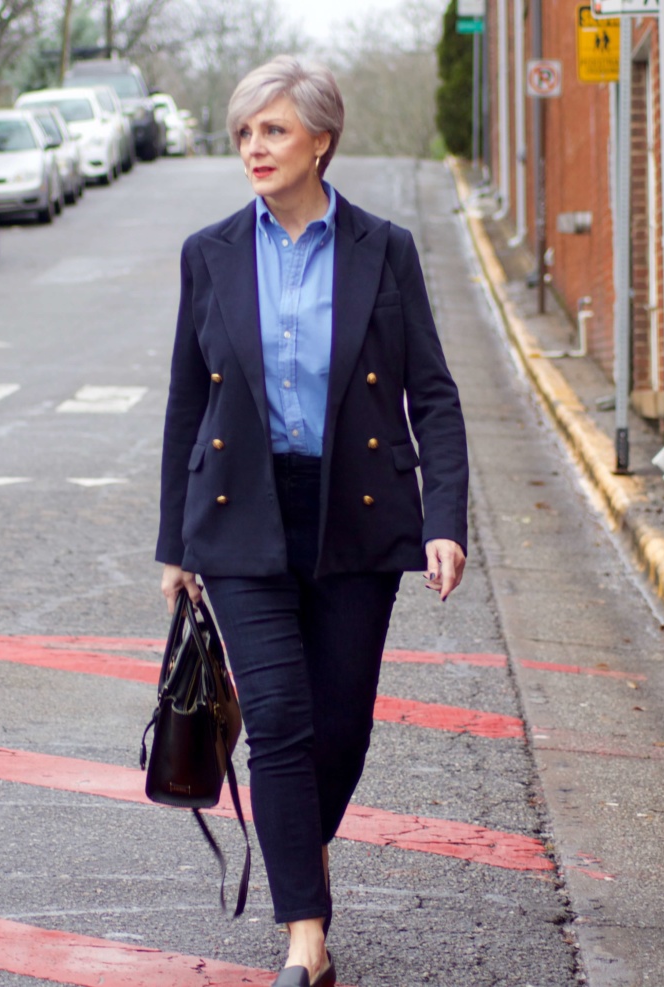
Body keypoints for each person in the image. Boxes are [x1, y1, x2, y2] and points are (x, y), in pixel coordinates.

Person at [157, 55, 469, 987]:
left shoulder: (385, 249)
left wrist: (443, 518)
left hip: (359, 517)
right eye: (245, 132)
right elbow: (185, 402)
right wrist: (174, 542)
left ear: (321, 141)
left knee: (342, 726)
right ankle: (306, 937)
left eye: (274, 130)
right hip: (241, 515)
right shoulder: (208, 253)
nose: (254, 147)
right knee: (282, 721)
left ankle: (301, 852)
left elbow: (435, 396)